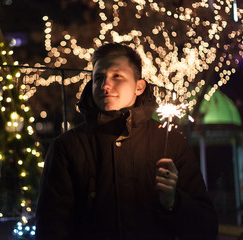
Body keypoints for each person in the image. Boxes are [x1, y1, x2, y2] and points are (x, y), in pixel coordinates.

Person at [35, 43, 218, 240]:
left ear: (139, 86)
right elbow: (51, 226)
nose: (105, 85)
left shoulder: (171, 143)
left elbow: (206, 228)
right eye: (98, 78)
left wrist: (173, 202)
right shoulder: (68, 147)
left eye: (117, 76)